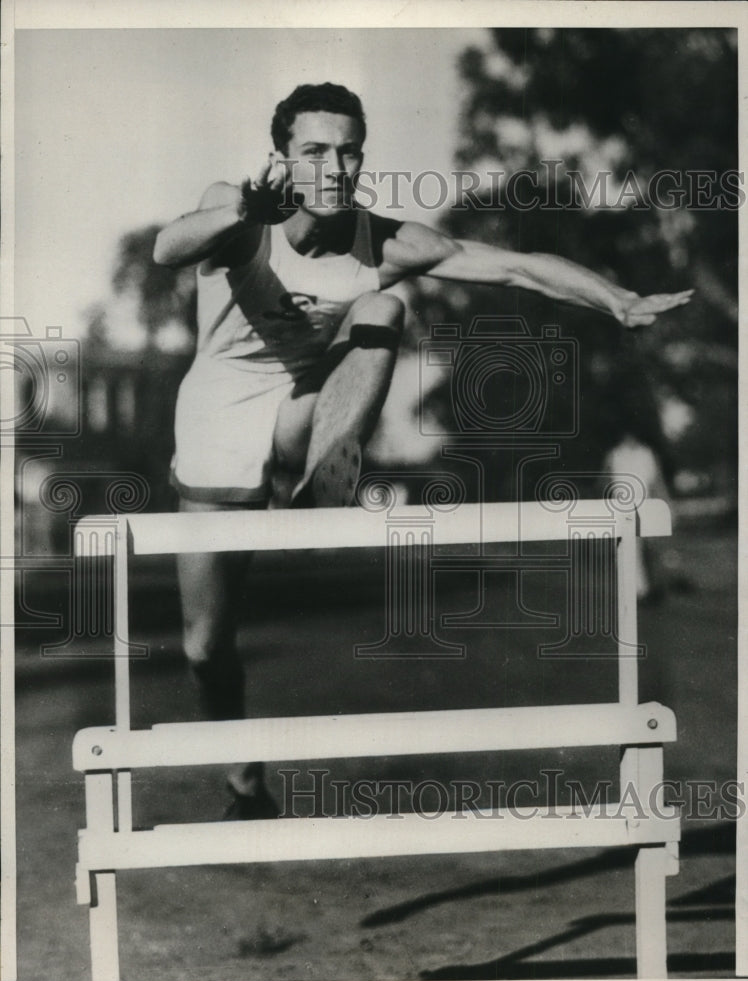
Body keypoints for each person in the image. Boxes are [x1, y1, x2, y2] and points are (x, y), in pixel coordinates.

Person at [153, 82, 692, 818]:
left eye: (349, 153)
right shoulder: (239, 208)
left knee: (382, 306)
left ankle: (319, 473)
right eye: (315, 152)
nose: (335, 169)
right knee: (203, 649)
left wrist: (615, 299)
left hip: (309, 407)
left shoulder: (386, 242)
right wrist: (245, 208)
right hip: (217, 421)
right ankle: (244, 779)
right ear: (282, 158)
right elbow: (166, 247)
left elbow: (515, 264)